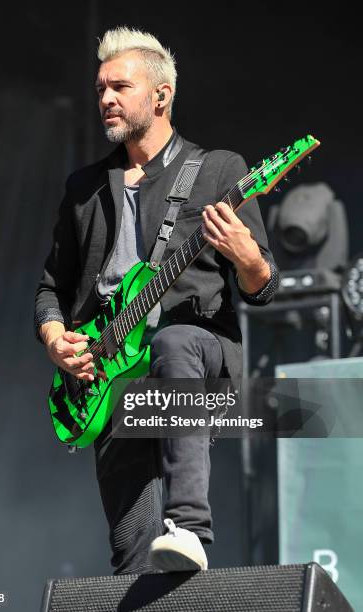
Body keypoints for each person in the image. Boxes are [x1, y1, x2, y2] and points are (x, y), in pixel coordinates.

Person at [34, 26, 279, 575]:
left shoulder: (218, 170)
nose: (106, 99)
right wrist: (55, 339)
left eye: (120, 86)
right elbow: (52, 287)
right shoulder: (85, 189)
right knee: (134, 556)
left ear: (161, 96)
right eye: (100, 89)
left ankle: (190, 524)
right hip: (111, 371)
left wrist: (246, 256)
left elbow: (262, 289)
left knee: (174, 339)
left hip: (198, 360)